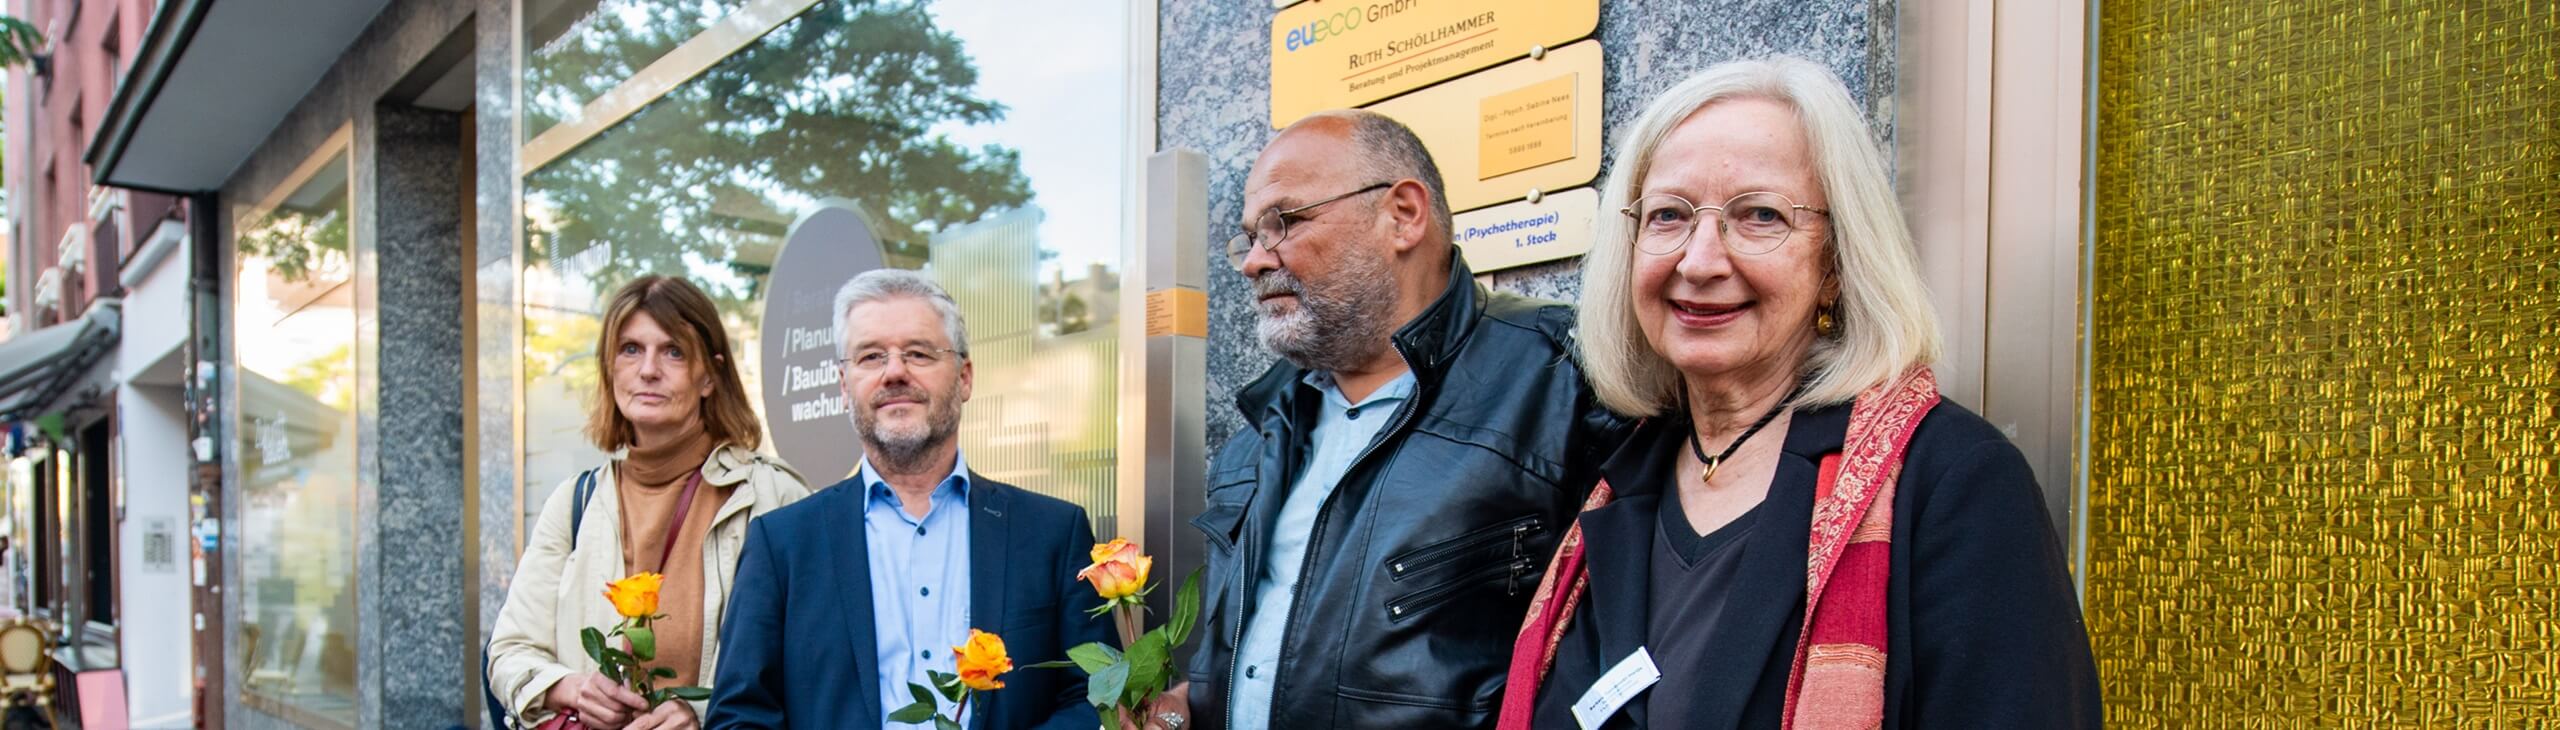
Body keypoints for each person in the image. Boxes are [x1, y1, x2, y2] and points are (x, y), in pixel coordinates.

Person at [1501, 56, 2101, 729]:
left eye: (1759, 215)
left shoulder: (1956, 483)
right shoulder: (1616, 479)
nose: (1700, 261)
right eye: (1669, 215)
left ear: (1836, 264)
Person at [1158, 110, 1631, 730]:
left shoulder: (1566, 375)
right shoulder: (1261, 431)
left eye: (1282, 222)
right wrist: (1186, 701)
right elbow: (1272, 646)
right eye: (1249, 237)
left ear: (1403, 214)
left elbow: (1632, 651)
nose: (1253, 261)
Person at [706, 269, 1109, 729]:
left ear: (964, 377)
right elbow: (740, 716)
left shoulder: (1052, 534)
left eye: (918, 353)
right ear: (843, 384)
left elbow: (1095, 694)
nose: (894, 372)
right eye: (871, 356)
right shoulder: (782, 546)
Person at [489, 276, 813, 730]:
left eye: (673, 352)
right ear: (610, 368)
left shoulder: (774, 497)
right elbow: (509, 651)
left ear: (710, 376)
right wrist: (569, 687)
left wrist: (702, 715)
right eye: (631, 349)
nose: (648, 370)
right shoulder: (574, 502)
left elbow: (812, 670)